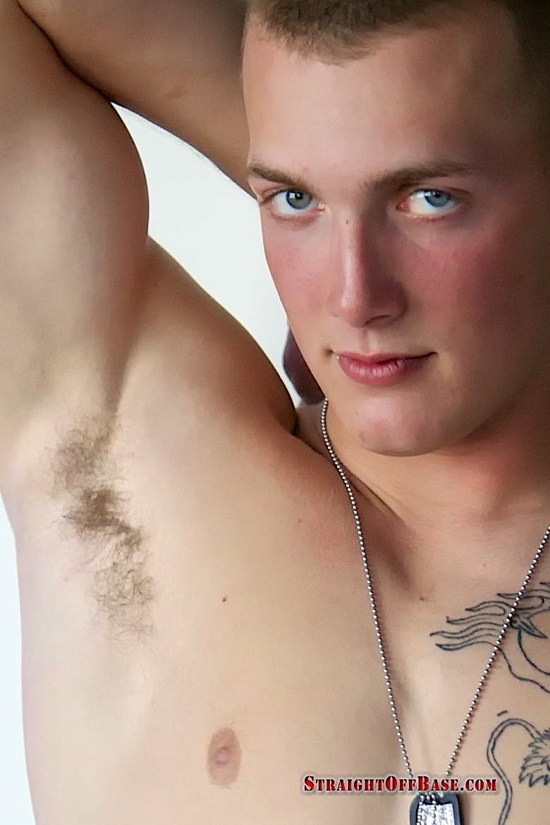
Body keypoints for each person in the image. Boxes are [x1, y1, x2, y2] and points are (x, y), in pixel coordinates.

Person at [1, 0, 549, 823]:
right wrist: (319, 108)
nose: (354, 297)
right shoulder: (122, 449)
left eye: (430, 197)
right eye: (293, 199)